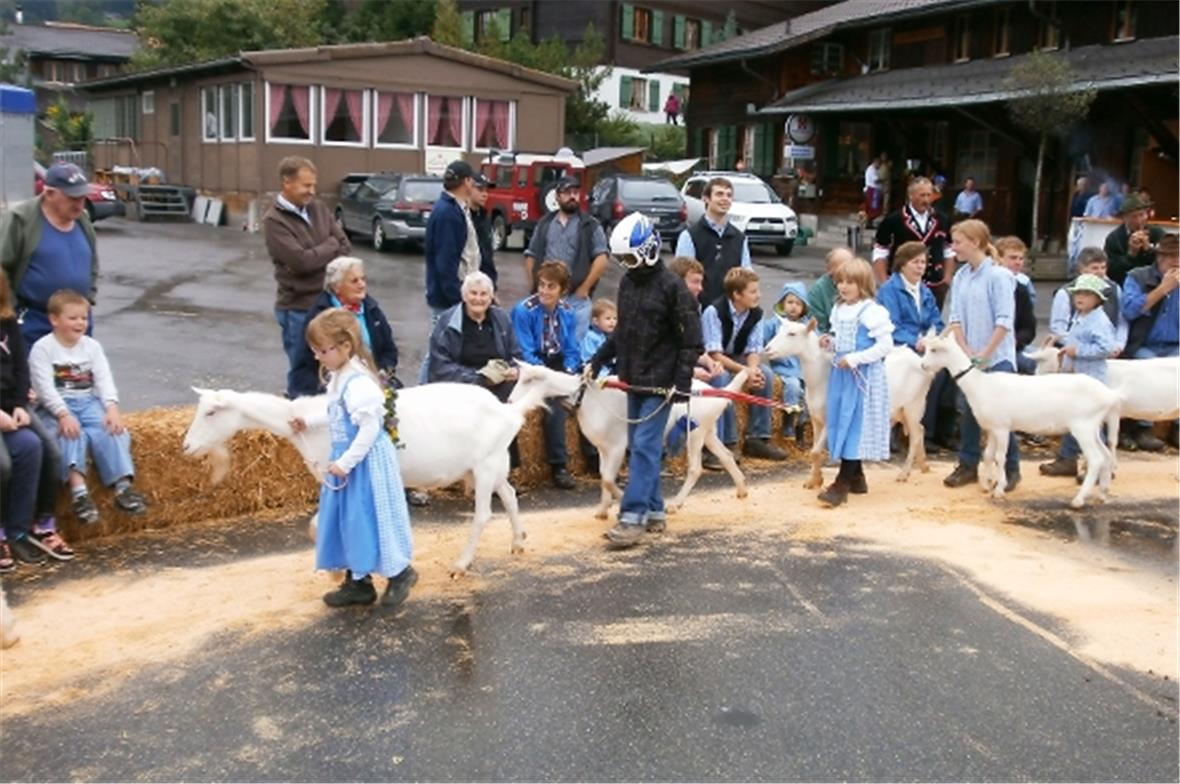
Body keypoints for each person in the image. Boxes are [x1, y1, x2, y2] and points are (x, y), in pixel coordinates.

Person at [587, 213, 703, 548]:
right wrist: (598, 359)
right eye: (622, 259)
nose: (626, 265)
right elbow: (623, 331)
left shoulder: (674, 288)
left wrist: (681, 382)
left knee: (644, 448)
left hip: (661, 383)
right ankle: (654, 511)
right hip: (634, 378)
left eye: (630, 258)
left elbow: (691, 341)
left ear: (649, 250)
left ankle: (632, 517)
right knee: (641, 447)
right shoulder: (627, 283)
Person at [292, 309, 416, 609]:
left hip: (365, 463)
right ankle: (358, 582)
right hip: (348, 461)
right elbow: (336, 411)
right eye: (315, 351)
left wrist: (346, 462)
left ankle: (401, 572)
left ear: (345, 347)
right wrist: (309, 421)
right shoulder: (339, 377)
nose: (318, 357)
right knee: (348, 520)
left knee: (372, 516)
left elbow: (369, 428)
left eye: (323, 350)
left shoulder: (359, 384)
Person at [29, 289, 147, 524]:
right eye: (73, 318)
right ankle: (79, 494)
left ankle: (123, 488)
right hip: (56, 406)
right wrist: (63, 414)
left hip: (87, 401)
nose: (80, 323)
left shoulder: (92, 347)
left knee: (113, 431)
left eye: (84, 318)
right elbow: (44, 388)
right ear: (54, 319)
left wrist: (111, 407)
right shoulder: (43, 349)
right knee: (71, 435)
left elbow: (104, 379)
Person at [263, 157, 351, 399]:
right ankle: (299, 421)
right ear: (287, 183)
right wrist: (329, 245)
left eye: (313, 185)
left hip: (327, 304)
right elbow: (300, 263)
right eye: (306, 186)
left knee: (330, 371)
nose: (311, 191)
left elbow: (345, 246)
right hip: (298, 308)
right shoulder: (274, 221)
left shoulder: (318, 209)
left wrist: (318, 252)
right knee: (304, 374)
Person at [942, 220, 1021, 492]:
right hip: (971, 357)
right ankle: (967, 464)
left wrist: (986, 353)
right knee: (969, 411)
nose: (954, 248)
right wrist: (965, 350)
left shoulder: (999, 276)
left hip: (997, 357)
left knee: (1003, 415)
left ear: (975, 242)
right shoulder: (962, 275)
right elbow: (955, 318)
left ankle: (1011, 467)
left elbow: (1004, 320)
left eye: (958, 242)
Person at [0, 272, 72, 570]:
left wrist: (19, 405)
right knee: (2, 465)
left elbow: (21, 368)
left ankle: (24, 529)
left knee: (38, 448)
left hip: (11, 407)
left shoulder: (8, 323)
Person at [816, 258, 894, 507]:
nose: (843, 287)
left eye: (850, 282)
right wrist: (831, 342)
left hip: (863, 378)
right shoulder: (838, 309)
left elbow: (885, 346)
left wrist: (856, 358)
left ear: (863, 284)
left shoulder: (871, 311)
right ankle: (857, 475)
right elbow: (841, 337)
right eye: (840, 281)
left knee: (855, 426)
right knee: (842, 421)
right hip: (842, 375)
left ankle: (843, 482)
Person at [0, 162, 100, 349]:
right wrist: (10, 311)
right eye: (73, 197)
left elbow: (92, 262)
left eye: (82, 197)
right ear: (49, 193)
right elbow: (2, 267)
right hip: (33, 322)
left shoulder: (83, 220)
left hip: (76, 322)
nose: (80, 203)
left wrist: (89, 298)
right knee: (35, 377)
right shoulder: (21, 219)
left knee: (78, 376)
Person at [701, 268, 787, 462]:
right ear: (737, 295)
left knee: (765, 375)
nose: (759, 295)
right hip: (714, 361)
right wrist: (744, 372)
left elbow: (754, 349)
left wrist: (753, 370)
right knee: (721, 378)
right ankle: (727, 442)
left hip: (738, 358)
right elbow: (714, 353)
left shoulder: (756, 314)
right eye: (753, 291)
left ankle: (758, 438)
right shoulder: (714, 312)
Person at [1039, 274, 1119, 479]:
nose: (1080, 298)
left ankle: (1102, 466)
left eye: (1086, 294)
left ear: (1098, 299)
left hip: (1090, 381)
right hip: (1076, 379)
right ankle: (1068, 458)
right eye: (1077, 294)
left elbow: (1107, 347)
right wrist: (1062, 341)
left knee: (1091, 424)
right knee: (1073, 419)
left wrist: (1079, 351)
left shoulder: (1099, 320)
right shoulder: (1081, 317)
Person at [511, 261, 581, 490]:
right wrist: (549, 376)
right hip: (532, 365)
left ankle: (595, 458)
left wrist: (569, 370)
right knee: (553, 407)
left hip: (557, 363)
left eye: (551, 286)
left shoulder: (568, 312)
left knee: (585, 397)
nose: (544, 291)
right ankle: (559, 465)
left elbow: (571, 349)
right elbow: (524, 350)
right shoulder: (524, 310)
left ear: (562, 290)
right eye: (541, 285)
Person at [875, 241, 950, 453]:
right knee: (903, 370)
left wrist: (930, 339)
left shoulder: (925, 292)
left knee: (940, 373)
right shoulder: (889, 289)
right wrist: (914, 341)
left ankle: (928, 432)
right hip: (897, 346)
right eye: (915, 262)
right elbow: (891, 325)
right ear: (902, 264)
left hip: (923, 347)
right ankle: (892, 429)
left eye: (923, 262)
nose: (920, 267)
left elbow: (937, 321)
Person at [290, 257, 399, 398]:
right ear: (336, 287)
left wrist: (381, 373)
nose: (362, 285)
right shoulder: (320, 315)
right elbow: (307, 362)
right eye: (354, 281)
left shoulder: (371, 308)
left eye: (363, 279)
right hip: (331, 387)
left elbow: (389, 351)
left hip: (372, 382)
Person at [523, 176, 609, 343]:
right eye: (567, 192)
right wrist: (535, 284)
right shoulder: (544, 223)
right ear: (557, 196)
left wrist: (584, 288)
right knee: (543, 345)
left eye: (576, 192)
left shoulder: (590, 225)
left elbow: (602, 257)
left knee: (574, 349)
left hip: (576, 300)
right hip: (546, 297)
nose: (572, 196)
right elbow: (530, 255)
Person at [1120, 232, 1179, 451]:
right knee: (1150, 370)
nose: (1177, 261)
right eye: (1172, 256)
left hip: (1175, 344)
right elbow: (1130, 310)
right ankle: (1141, 427)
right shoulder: (1138, 277)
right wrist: (1163, 289)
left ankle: (1177, 427)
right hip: (1145, 344)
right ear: (1160, 258)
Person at [423, 159, 479, 383]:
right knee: (437, 353)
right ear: (466, 182)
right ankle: (422, 390)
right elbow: (445, 262)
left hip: (455, 295)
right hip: (448, 299)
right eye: (472, 180)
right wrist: (457, 298)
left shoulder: (455, 208)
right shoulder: (448, 213)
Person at [429, 271, 521, 401]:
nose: (478, 299)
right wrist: (480, 379)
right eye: (473, 293)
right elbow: (439, 367)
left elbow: (516, 356)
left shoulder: (502, 319)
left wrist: (514, 370)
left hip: (499, 388)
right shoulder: (447, 322)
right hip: (461, 391)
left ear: (491, 298)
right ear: (464, 296)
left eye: (483, 294)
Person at [872, 177, 956, 306]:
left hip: (935, 284)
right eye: (922, 195)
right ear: (911, 195)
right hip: (902, 284)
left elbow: (949, 250)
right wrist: (884, 284)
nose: (926, 200)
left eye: (929, 195)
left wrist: (947, 278)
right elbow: (880, 253)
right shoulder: (893, 220)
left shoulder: (942, 219)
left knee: (933, 324)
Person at [675, 177, 753, 305]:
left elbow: (746, 277)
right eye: (719, 194)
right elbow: (681, 279)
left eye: (729, 195)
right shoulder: (689, 236)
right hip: (699, 311)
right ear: (705, 198)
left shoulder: (740, 238)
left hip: (730, 313)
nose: (725, 199)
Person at [760, 281, 811, 444]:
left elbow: (817, 341)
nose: (793, 307)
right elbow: (760, 337)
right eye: (789, 302)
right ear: (782, 304)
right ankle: (788, 423)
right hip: (784, 370)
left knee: (809, 397)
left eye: (798, 303)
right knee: (793, 387)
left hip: (803, 370)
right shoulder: (775, 324)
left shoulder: (805, 327)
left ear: (804, 306)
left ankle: (801, 427)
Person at [668, 256, 724, 383]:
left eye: (701, 282)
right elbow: (662, 356)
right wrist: (690, 372)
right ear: (678, 282)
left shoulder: (694, 308)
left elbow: (695, 349)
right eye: (695, 282)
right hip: (665, 372)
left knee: (720, 375)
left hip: (685, 364)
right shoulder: (663, 310)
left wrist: (711, 363)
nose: (700, 288)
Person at [994, 237, 1037, 374]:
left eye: (1021, 258)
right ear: (998, 258)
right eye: (1013, 258)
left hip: (1013, 347)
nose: (1018, 262)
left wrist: (1014, 341)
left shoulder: (1021, 289)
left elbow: (1029, 328)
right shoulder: (986, 286)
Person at [1104, 194, 1166, 285]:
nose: (1138, 221)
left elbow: (1165, 265)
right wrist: (1131, 254)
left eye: (1141, 215)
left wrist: (1148, 250)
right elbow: (1112, 273)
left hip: (1155, 285)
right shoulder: (1114, 238)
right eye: (1133, 217)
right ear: (1125, 218)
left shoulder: (1157, 233)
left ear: (1146, 214)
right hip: (1125, 285)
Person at [808, 246, 854, 334]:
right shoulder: (817, 290)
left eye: (851, 266)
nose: (848, 271)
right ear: (829, 270)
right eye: (842, 268)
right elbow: (818, 327)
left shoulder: (860, 284)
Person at [469, 173, 499, 287]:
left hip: (484, 284)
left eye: (486, 191)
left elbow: (488, 255)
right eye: (480, 190)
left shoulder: (484, 217)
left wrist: (492, 285)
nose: (485, 194)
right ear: (469, 188)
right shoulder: (462, 217)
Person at [580, 298, 617, 375]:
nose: (612, 321)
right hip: (596, 371)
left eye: (615, 318)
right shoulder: (590, 337)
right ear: (596, 321)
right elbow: (589, 357)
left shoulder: (613, 337)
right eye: (608, 318)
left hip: (610, 371)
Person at [863, 156, 883, 223]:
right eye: (879, 164)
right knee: (872, 208)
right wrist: (883, 179)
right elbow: (875, 180)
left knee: (873, 208)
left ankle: (869, 222)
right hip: (872, 190)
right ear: (875, 162)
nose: (879, 166)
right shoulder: (871, 169)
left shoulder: (874, 169)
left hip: (874, 190)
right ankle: (868, 222)